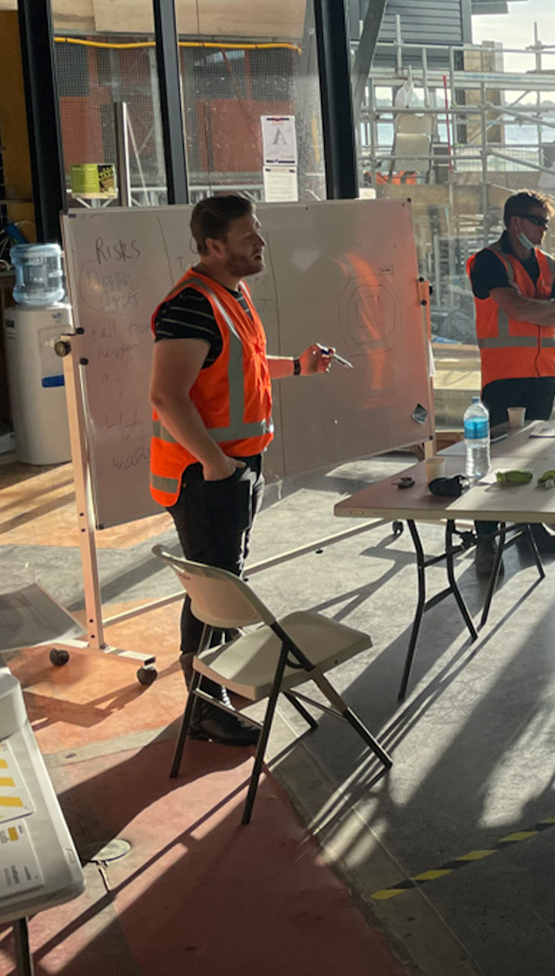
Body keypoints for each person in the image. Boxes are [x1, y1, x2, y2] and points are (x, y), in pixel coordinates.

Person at [148, 194, 338, 745]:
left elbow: (242, 366)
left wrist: (297, 366)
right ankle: (204, 704)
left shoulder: (231, 294)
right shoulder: (190, 304)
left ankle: (216, 684)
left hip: (232, 467)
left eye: (258, 232)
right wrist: (216, 464)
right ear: (213, 245)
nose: (261, 243)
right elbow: (167, 395)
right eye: (248, 235)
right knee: (214, 586)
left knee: (223, 575)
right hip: (205, 473)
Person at [467, 190, 555, 571]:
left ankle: (532, 526)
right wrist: (551, 308)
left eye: (546, 222)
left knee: (535, 456)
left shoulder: (547, 264)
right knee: (493, 459)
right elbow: (515, 306)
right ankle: (486, 540)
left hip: (543, 374)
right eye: (538, 221)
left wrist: (543, 310)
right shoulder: (488, 262)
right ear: (515, 222)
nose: (544, 229)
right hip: (503, 375)